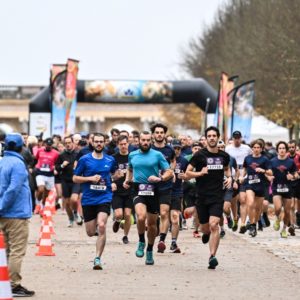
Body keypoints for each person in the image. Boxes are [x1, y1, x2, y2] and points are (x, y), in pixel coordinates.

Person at [123, 131, 173, 265]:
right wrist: (127, 180)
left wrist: (160, 178)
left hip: (154, 190)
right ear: (138, 141)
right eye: (143, 140)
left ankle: (150, 250)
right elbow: (130, 168)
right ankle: (141, 241)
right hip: (138, 188)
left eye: (147, 140)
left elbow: (169, 171)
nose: (145, 142)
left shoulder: (157, 155)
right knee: (140, 216)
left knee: (151, 225)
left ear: (151, 141)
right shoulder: (132, 154)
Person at [185, 126, 231, 269]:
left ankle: (212, 256)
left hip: (217, 196)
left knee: (214, 225)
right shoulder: (199, 155)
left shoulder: (224, 156)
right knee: (205, 228)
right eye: (209, 136)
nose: (211, 138)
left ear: (217, 138)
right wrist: (199, 173)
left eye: (214, 136)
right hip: (202, 196)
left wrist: (229, 179)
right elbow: (187, 173)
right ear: (206, 139)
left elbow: (227, 170)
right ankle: (205, 233)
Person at [73, 133, 118, 270]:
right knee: (90, 232)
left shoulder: (110, 160)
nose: (99, 144)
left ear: (104, 143)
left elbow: (114, 174)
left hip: (104, 197)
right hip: (88, 199)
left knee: (102, 224)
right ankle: (98, 233)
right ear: (92, 143)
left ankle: (97, 258)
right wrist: (90, 179)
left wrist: (115, 180)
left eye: (101, 142)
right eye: (96, 141)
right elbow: (75, 178)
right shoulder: (84, 159)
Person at [0, 133, 35, 297]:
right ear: (22, 147)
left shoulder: (2, 161)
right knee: (16, 251)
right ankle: (14, 285)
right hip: (16, 213)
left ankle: (4, 282)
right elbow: (13, 189)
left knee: (6, 250)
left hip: (4, 214)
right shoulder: (18, 164)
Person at [150, 123, 176, 253]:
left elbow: (173, 162)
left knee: (165, 212)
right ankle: (154, 230)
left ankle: (162, 240)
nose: (159, 134)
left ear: (164, 134)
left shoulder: (169, 150)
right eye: (157, 132)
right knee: (151, 218)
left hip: (165, 185)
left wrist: (171, 172)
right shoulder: (148, 149)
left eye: (161, 132)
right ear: (153, 134)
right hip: (150, 187)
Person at [239, 140, 272, 237]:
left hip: (261, 185)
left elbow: (270, 172)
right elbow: (244, 169)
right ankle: (252, 226)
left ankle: (254, 223)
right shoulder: (248, 158)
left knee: (258, 209)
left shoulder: (265, 160)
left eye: (258, 148)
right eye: (255, 147)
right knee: (250, 203)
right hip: (250, 184)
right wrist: (242, 176)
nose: (256, 149)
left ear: (261, 149)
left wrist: (263, 170)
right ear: (252, 148)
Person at [225, 131, 252, 233]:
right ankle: (235, 218)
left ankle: (243, 224)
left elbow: (250, 159)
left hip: (243, 177)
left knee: (243, 200)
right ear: (233, 138)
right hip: (232, 177)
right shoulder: (228, 149)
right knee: (233, 201)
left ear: (241, 138)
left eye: (238, 138)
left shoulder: (246, 148)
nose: (237, 139)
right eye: (235, 138)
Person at [271, 141, 298, 238]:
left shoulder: (290, 162)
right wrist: (268, 176)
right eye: (280, 148)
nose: (282, 150)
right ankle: (277, 218)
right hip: (276, 187)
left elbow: (296, 174)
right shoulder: (273, 161)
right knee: (278, 208)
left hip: (288, 188)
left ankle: (284, 229)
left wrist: (292, 176)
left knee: (287, 211)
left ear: (286, 150)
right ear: (277, 150)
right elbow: (268, 172)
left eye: (283, 148)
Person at [55, 136, 82, 227]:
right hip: (65, 180)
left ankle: (75, 212)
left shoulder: (78, 154)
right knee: (66, 202)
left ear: (73, 143)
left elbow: (85, 166)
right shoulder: (61, 155)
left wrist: (78, 166)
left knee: (74, 199)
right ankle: (70, 218)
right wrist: (62, 165)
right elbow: (57, 168)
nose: (68, 145)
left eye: (69, 142)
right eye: (66, 143)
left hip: (75, 179)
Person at [111, 135, 133, 244]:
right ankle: (117, 220)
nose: (123, 146)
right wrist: (112, 181)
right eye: (121, 144)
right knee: (119, 214)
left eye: (125, 144)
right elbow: (108, 173)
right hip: (117, 190)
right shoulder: (113, 158)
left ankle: (125, 236)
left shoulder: (132, 157)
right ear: (118, 145)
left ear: (128, 144)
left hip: (130, 189)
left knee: (128, 214)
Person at [170, 139, 188, 253]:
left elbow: (189, 174)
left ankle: (173, 242)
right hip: (163, 191)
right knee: (162, 217)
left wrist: (185, 176)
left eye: (178, 148)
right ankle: (161, 238)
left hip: (177, 191)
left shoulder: (184, 161)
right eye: (174, 148)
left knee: (175, 218)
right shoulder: (164, 159)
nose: (176, 150)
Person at [34, 137, 59, 212]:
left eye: (50, 145)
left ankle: (43, 205)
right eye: (47, 144)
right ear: (44, 144)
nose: (48, 146)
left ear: (52, 145)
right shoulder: (39, 150)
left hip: (50, 174)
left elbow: (57, 163)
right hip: (40, 172)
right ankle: (37, 204)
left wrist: (55, 168)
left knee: (46, 193)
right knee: (41, 189)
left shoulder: (56, 153)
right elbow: (36, 158)